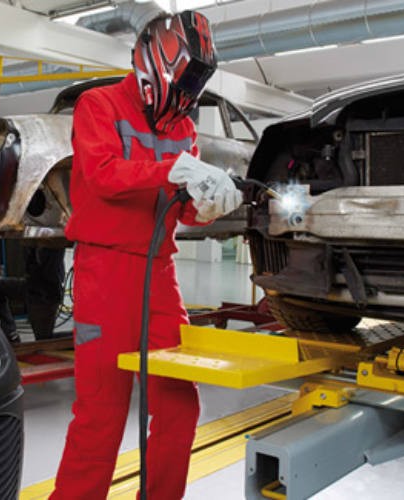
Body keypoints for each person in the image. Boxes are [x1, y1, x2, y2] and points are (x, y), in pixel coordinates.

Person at [51, 10, 243, 499]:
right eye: (185, 79)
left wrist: (208, 206)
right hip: (104, 271)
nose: (189, 92)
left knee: (180, 406)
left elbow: (183, 209)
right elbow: (101, 174)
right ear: (155, 61)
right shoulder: (98, 105)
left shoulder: (184, 129)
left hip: (160, 275)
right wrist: (170, 170)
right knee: (102, 413)